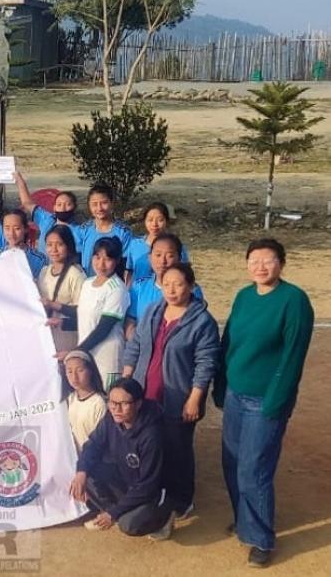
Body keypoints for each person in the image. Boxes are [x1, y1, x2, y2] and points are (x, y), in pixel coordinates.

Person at [214, 238, 314, 568]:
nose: (260, 266)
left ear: (281, 263)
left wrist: (276, 401)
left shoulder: (294, 301)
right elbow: (229, 342)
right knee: (231, 463)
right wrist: (221, 383)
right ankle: (245, 519)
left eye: (268, 260)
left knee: (253, 470)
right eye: (254, 260)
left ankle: (259, 538)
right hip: (235, 394)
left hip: (265, 400)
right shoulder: (244, 296)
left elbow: (292, 358)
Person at [122, 263, 220, 523]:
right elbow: (136, 345)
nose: (172, 290)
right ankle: (156, 494)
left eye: (178, 284)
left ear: (191, 286)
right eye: (167, 284)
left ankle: (182, 499)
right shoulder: (154, 310)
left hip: (178, 398)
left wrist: (194, 399)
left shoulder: (202, 321)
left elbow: (206, 363)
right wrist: (126, 380)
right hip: (147, 394)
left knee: (178, 450)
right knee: (152, 447)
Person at [69, 378, 174, 540]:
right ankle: (117, 512)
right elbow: (93, 445)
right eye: (112, 402)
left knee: (129, 525)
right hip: (127, 479)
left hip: (151, 491)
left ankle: (164, 518)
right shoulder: (111, 418)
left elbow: (148, 485)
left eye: (124, 403)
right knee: (85, 474)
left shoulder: (152, 435)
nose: (116, 409)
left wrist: (114, 512)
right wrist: (81, 471)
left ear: (138, 404)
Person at [72, 237, 129, 389]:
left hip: (107, 354)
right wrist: (57, 310)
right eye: (97, 257)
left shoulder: (117, 288)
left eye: (107, 259)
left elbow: (104, 327)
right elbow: (83, 316)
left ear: (116, 261)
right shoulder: (87, 283)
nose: (101, 264)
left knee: (108, 395)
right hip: (86, 351)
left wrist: (77, 352)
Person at [126, 233, 203, 339]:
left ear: (179, 258)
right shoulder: (138, 287)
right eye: (158, 255)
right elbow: (130, 322)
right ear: (150, 257)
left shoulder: (192, 290)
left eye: (170, 255)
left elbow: (198, 328)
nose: (163, 261)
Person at [38, 225, 86, 353]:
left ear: (69, 246)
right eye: (49, 244)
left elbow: (83, 312)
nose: (53, 249)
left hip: (68, 338)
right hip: (47, 336)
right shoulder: (44, 272)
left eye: (59, 244)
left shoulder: (75, 274)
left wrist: (53, 305)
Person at [75, 184, 132, 277]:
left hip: (112, 285)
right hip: (87, 284)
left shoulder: (123, 232)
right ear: (89, 205)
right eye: (94, 204)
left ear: (112, 203)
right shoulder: (83, 230)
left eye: (104, 203)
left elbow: (127, 264)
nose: (99, 208)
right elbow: (76, 258)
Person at [125, 203, 190, 283]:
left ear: (167, 221)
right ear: (144, 221)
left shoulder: (175, 246)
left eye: (160, 220)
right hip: (139, 294)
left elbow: (186, 273)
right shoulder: (134, 245)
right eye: (150, 220)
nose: (154, 224)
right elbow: (129, 272)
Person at [63, 350, 106, 454]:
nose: (74, 377)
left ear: (90, 371)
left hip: (93, 460)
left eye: (80, 370)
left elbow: (102, 441)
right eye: (69, 371)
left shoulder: (99, 403)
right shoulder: (71, 399)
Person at [14, 171, 78, 240]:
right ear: (54, 207)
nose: (63, 208)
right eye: (59, 204)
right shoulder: (46, 220)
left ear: (74, 207)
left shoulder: (80, 232)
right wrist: (20, 181)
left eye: (68, 204)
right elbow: (27, 203)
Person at [0, 208, 46, 278]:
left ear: (26, 229)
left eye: (17, 228)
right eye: (7, 228)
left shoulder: (39, 259)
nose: (11, 233)